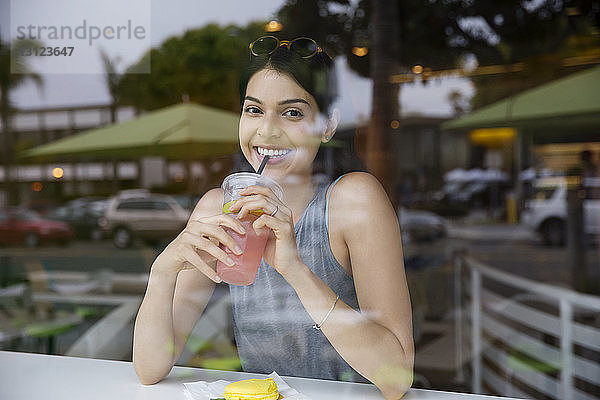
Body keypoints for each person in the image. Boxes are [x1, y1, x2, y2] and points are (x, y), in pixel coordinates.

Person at [133, 35, 414, 399]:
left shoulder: (352, 199)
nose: (267, 130)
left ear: (327, 126)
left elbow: (397, 378)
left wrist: (295, 269)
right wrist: (163, 272)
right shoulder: (217, 208)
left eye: (292, 112)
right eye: (253, 110)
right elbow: (149, 368)